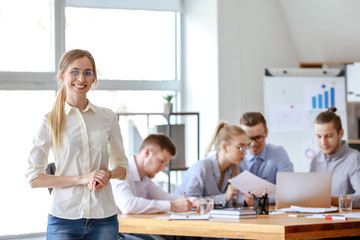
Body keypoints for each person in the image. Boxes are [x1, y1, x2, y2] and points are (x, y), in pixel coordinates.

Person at [25, 49, 129, 240]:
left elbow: (122, 168)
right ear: (62, 76)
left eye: (87, 72)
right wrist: (81, 179)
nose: (81, 78)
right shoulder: (49, 120)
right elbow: (34, 178)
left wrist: (107, 175)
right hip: (63, 218)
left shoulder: (107, 117)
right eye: (74, 71)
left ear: (93, 78)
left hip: (104, 218)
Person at [111, 133, 196, 240]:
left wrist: (194, 202)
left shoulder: (144, 179)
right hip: (116, 233)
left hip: (134, 229)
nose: (163, 167)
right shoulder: (122, 171)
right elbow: (128, 205)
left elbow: (168, 198)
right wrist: (172, 206)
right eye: (161, 161)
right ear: (147, 152)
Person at [175, 121, 252, 207]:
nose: (245, 152)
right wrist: (224, 198)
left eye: (246, 147)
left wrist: (244, 200)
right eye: (240, 147)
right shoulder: (202, 167)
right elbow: (191, 199)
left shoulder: (232, 169)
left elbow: (230, 198)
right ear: (225, 147)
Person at [310, 107, 360, 208]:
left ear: (341, 133)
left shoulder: (355, 158)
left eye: (328, 136)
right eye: (319, 137)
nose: (323, 142)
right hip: (319, 219)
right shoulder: (315, 160)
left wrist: (332, 201)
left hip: (345, 221)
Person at [239, 112, 294, 184]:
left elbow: (288, 186)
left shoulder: (278, 153)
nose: (253, 144)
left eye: (258, 137)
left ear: (266, 133)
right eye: (248, 138)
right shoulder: (236, 156)